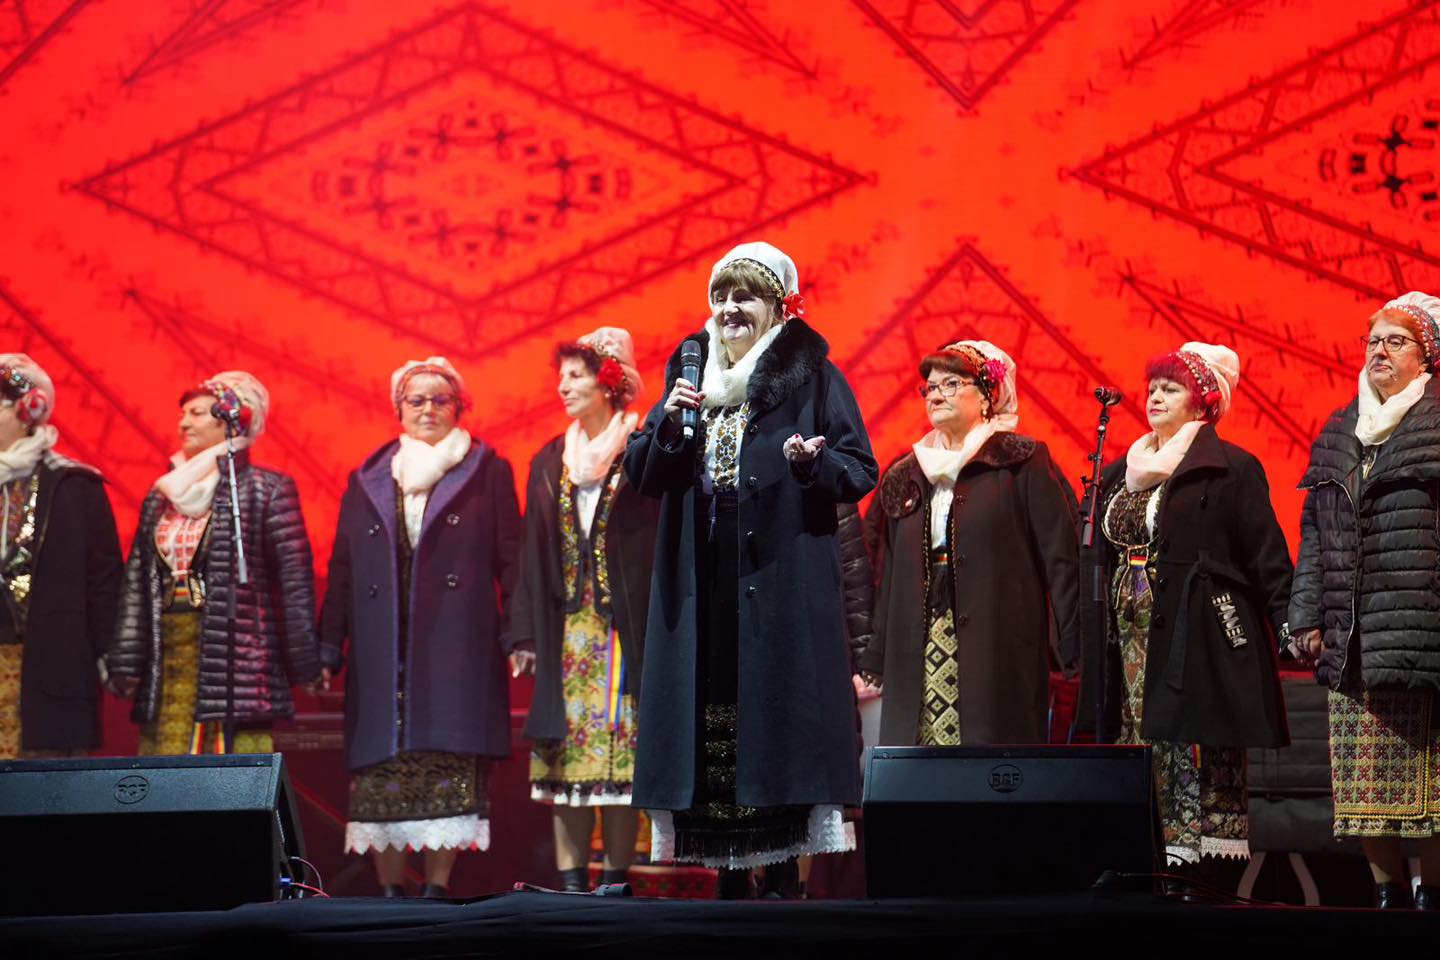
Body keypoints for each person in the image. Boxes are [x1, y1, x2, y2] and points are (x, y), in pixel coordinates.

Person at [624, 241, 878, 898]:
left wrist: (813, 465)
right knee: (713, 712)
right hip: (704, 574)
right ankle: (729, 873)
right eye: (721, 296)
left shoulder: (813, 376)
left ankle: (786, 875)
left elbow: (859, 471)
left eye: (746, 297)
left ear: (778, 306)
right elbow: (643, 474)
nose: (730, 308)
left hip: (780, 573)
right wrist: (670, 428)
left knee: (778, 713)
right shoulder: (690, 374)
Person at [319, 357, 522, 898]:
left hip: (455, 645)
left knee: (448, 761)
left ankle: (436, 886)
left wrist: (518, 635)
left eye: (440, 400)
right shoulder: (368, 478)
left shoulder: (486, 470)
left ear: (458, 408)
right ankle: (390, 892)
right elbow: (343, 569)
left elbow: (513, 561)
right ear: (399, 409)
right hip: (383, 648)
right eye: (417, 400)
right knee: (380, 769)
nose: (428, 409)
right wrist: (328, 646)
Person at [1083, 342, 1291, 870]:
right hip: (1128, 632)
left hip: (1195, 629)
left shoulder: (1231, 468)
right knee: (1134, 736)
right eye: (1153, 388)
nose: (1154, 397)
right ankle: (1140, 861)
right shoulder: (1121, 472)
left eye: (1170, 389)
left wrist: (1291, 624)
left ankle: (1198, 871)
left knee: (1195, 745)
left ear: (1202, 402)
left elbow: (1266, 555)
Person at [1291, 293, 1440, 909]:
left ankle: (1432, 893)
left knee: (1430, 776)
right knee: (1364, 775)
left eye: (1395, 341)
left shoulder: (1436, 423)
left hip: (1421, 630)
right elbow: (1314, 532)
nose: (1380, 350)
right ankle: (1386, 895)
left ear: (1427, 355)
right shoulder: (1339, 430)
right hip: (1351, 634)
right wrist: (1304, 616)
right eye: (1373, 340)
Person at [858, 341, 1080, 746]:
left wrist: (1072, 643)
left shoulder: (1020, 462)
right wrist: (875, 652)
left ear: (986, 396)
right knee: (921, 757)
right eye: (930, 387)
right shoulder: (907, 472)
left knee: (992, 760)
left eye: (951, 383)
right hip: (920, 641)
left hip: (998, 640)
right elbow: (889, 573)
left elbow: (1061, 559)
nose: (935, 395)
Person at [510, 327, 658, 893]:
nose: (563, 386)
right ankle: (571, 884)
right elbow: (531, 554)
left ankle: (616, 881)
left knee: (621, 765)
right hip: (568, 633)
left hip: (628, 633)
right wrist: (524, 634)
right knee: (564, 766)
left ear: (609, 381)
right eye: (562, 376)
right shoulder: (550, 460)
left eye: (576, 375)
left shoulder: (643, 453)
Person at [108, 372, 318, 755]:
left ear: (233, 420)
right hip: (168, 651)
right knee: (165, 762)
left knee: (230, 769)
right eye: (182, 414)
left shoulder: (265, 490)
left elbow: (294, 584)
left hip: (235, 655)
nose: (183, 423)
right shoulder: (162, 496)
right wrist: (126, 660)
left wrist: (305, 662)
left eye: (197, 413)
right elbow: (137, 583)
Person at [0, 354, 122, 758]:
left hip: (48, 669)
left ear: (29, 410)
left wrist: (112, 657)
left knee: (44, 787)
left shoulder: (75, 486)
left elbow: (104, 582)